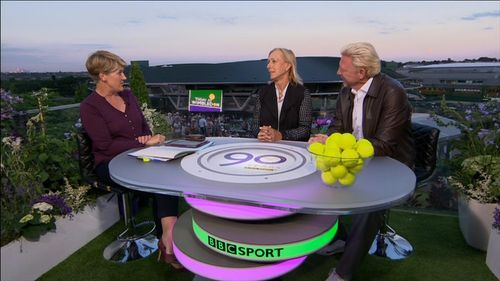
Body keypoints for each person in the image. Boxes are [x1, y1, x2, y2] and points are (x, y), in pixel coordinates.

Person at [309, 42, 415, 281]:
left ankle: (343, 273)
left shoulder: (392, 92)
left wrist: (347, 151)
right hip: (357, 158)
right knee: (321, 183)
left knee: (370, 207)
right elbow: (338, 127)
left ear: (362, 72)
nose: (337, 72)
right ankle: (338, 240)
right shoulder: (346, 91)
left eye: (342, 68)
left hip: (390, 161)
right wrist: (328, 139)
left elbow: (385, 145)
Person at [79, 50, 184, 270]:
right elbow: (104, 146)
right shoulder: (89, 107)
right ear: (102, 75)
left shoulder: (128, 96)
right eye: (119, 72)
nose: (124, 77)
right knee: (159, 179)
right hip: (109, 164)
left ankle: (168, 236)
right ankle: (169, 241)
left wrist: (147, 139)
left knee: (167, 174)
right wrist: (141, 143)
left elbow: (145, 127)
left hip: (139, 156)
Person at [252, 48, 312, 142]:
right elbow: (255, 126)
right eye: (268, 62)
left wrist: (280, 135)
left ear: (287, 66)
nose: (268, 66)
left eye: (274, 61)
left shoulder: (302, 93)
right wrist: (261, 133)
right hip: (266, 150)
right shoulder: (262, 93)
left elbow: (305, 130)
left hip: (293, 151)